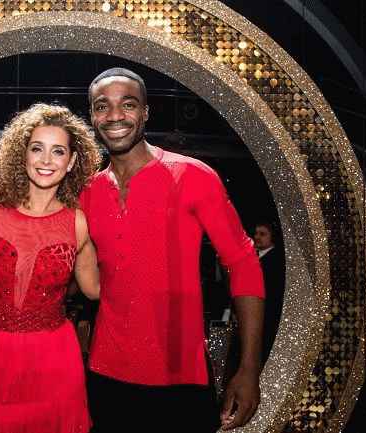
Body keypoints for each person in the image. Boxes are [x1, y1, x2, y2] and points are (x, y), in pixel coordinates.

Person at [80, 68, 266, 432]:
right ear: (92, 116)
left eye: (128, 104)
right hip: (105, 377)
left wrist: (248, 368)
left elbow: (244, 265)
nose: (115, 115)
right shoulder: (87, 191)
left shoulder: (193, 176)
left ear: (146, 112)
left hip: (180, 378)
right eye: (102, 106)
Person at [0, 103, 101, 433]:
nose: (46, 160)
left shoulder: (77, 222)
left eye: (58, 151)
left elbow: (96, 290)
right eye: (37, 148)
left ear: (71, 162)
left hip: (56, 358)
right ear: (22, 154)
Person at [253, 221, 285, 363]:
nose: (257, 237)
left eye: (262, 234)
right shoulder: (255, 256)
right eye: (256, 233)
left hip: (267, 313)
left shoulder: (275, 259)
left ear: (272, 237)